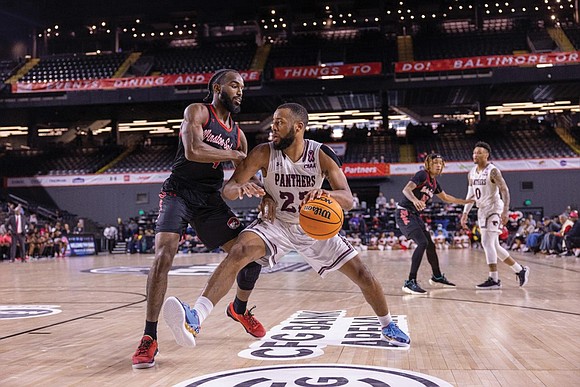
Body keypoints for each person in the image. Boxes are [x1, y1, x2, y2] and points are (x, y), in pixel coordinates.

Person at [162, 102, 410, 350]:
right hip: (276, 224)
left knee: (363, 274)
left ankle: (387, 324)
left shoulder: (320, 154)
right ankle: (195, 317)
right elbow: (228, 189)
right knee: (240, 250)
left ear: (299, 126)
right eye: (273, 122)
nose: (274, 128)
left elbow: (348, 198)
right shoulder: (263, 152)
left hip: (314, 228)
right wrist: (241, 188)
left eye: (280, 122)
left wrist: (326, 196)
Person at [131, 69, 269, 369]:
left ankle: (239, 309)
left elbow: (238, 178)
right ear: (217, 87)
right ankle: (149, 337)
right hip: (179, 193)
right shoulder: (198, 111)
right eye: (234, 85)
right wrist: (232, 154)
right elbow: (193, 150)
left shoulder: (240, 134)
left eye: (242, 87)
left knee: (251, 254)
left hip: (209, 200)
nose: (240, 91)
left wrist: (248, 186)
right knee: (163, 256)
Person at [396, 154, 474, 294]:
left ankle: (437, 276)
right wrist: (415, 200)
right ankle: (410, 282)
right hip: (404, 212)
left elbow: (446, 197)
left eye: (440, 163)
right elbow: (406, 189)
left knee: (430, 244)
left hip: (415, 215)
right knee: (422, 243)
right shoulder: (422, 175)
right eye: (435, 162)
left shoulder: (434, 183)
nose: (438, 165)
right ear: (428, 164)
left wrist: (465, 202)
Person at [460, 141, 529, 289]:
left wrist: (505, 210)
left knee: (486, 242)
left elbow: (504, 190)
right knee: (495, 246)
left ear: (486, 155)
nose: (475, 155)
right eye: (474, 152)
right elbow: (470, 194)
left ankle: (494, 279)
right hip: (482, 209)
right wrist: (465, 212)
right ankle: (520, 270)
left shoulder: (493, 171)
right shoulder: (471, 172)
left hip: (494, 209)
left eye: (479, 152)